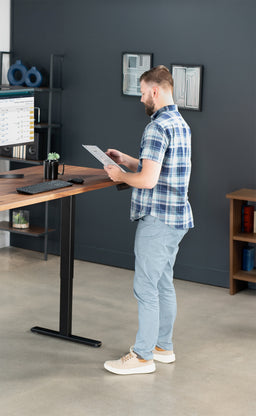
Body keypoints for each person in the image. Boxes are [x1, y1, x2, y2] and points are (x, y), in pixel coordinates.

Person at [103, 65, 194, 375]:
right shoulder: (180, 123)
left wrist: (120, 175)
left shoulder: (156, 127)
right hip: (176, 217)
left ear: (155, 91)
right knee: (163, 283)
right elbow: (158, 169)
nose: (141, 99)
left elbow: (148, 180)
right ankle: (162, 347)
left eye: (143, 93)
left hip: (157, 220)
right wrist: (128, 161)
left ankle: (142, 357)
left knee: (146, 287)